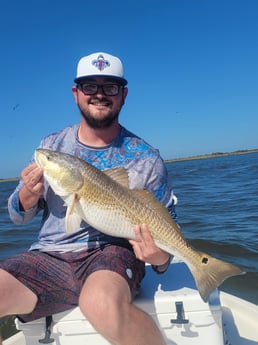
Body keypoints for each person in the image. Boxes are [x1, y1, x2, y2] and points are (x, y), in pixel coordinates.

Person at [0, 52, 177, 345]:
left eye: (110, 87)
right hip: (48, 256)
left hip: (112, 254)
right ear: (75, 93)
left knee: (101, 304)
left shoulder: (147, 159)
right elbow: (18, 216)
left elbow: (168, 242)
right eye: (89, 86)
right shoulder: (51, 146)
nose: (99, 94)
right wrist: (27, 196)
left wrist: (160, 259)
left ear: (123, 95)